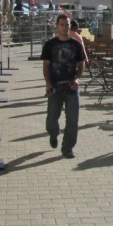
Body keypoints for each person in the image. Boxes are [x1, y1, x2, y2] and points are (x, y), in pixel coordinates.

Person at [41, 13, 87, 158]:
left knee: (73, 121)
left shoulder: (76, 45)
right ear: (57, 26)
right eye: (62, 25)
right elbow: (46, 66)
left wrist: (77, 79)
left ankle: (67, 148)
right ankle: (53, 133)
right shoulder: (50, 45)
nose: (65, 27)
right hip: (55, 87)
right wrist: (48, 84)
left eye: (67, 25)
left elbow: (81, 64)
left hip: (71, 87)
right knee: (51, 119)